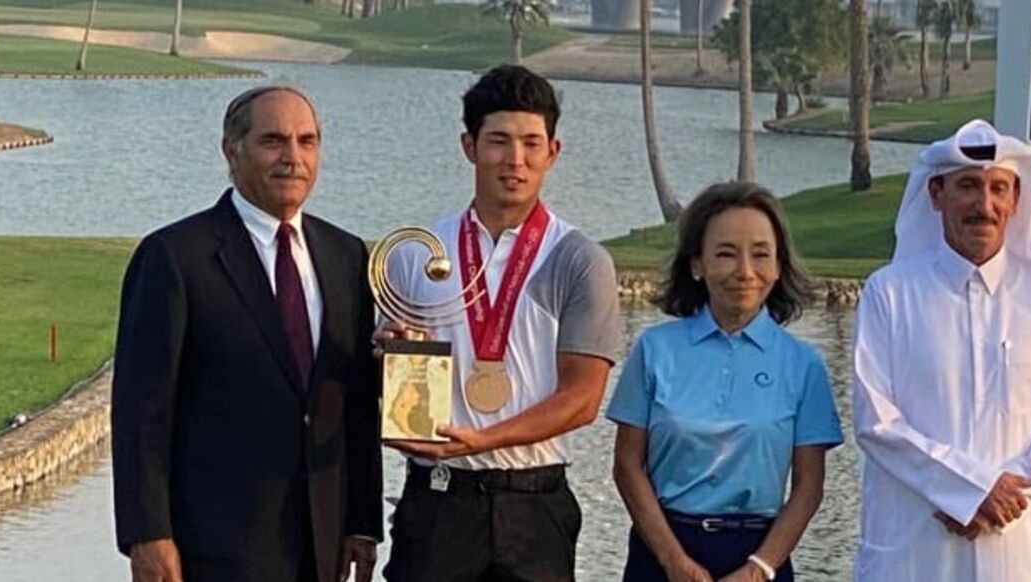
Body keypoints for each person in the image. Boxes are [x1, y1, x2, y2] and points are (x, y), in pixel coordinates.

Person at [111, 85, 381, 582]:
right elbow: (141, 411)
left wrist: (362, 522)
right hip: (211, 546)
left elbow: (357, 405)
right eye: (273, 141)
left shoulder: (346, 257)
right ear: (231, 150)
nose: (292, 158)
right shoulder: (175, 257)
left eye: (307, 141)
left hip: (320, 548)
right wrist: (147, 535)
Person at [376, 64, 622, 582]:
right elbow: (386, 388)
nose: (516, 160)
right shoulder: (418, 253)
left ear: (553, 152)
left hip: (535, 503)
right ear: (469, 146)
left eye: (532, 144)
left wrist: (484, 440)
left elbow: (582, 400)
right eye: (499, 141)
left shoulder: (579, 259)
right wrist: (382, 358)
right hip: (439, 500)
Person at [851, 120, 1031, 582]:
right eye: (968, 187)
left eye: (998, 189)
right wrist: (965, 492)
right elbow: (875, 421)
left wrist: (998, 499)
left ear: (1015, 201)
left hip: (1018, 549)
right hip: (914, 550)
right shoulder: (888, 294)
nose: (984, 206)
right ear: (936, 194)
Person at [606, 182, 843, 582]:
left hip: (759, 555)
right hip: (662, 551)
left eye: (761, 255)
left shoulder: (804, 365)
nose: (745, 272)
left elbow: (808, 487)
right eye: (726, 254)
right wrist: (673, 561)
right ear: (697, 264)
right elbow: (628, 466)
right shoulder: (654, 350)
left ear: (779, 264)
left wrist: (759, 569)